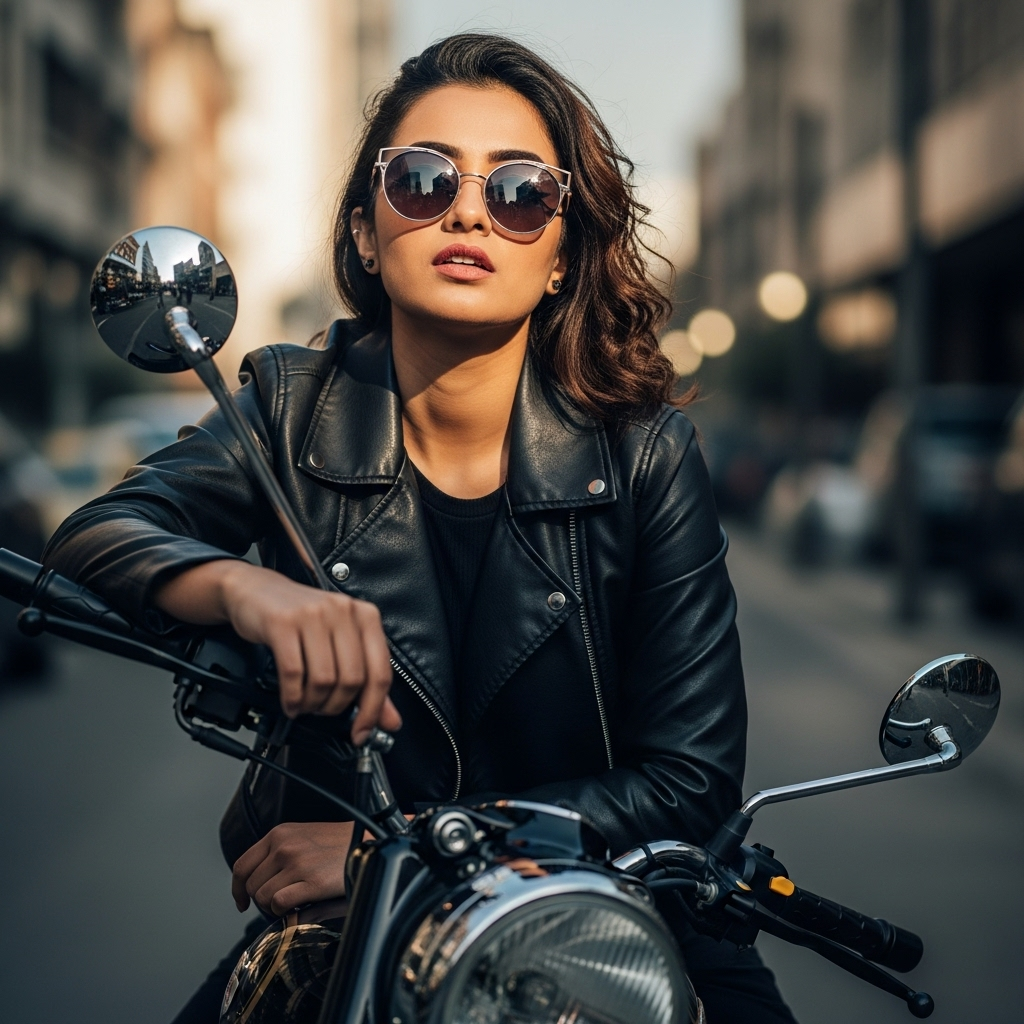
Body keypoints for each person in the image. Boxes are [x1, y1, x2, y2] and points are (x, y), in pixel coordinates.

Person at [43, 34, 796, 1024]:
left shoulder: (646, 452)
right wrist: (244, 587)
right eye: (425, 179)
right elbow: (99, 532)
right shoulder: (286, 404)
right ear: (364, 232)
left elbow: (688, 779)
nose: (470, 209)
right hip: (345, 938)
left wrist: (390, 853)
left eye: (522, 191)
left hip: (601, 918)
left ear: (562, 251)